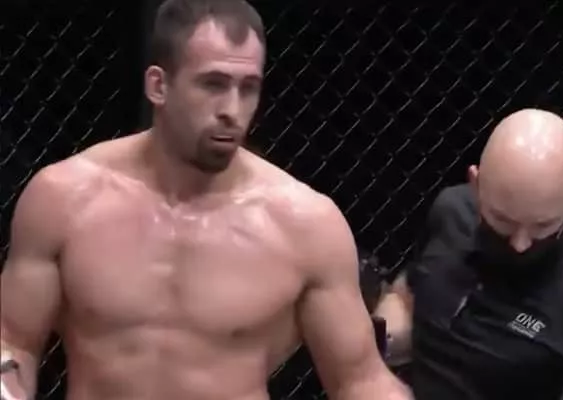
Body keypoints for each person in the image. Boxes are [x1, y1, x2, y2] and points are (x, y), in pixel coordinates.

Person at [0, 1, 412, 399]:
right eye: (213, 84)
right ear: (158, 85)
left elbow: (361, 381)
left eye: (248, 88)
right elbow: (14, 342)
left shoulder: (305, 224)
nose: (232, 109)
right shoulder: (64, 200)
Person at [375, 108, 563, 399]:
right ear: (476, 184)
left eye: (542, 226)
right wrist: (374, 343)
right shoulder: (450, 212)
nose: (520, 244)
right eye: (503, 221)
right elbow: (410, 291)